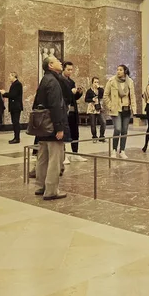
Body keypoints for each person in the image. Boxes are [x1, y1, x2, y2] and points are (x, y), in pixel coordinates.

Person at [33, 55, 68, 200]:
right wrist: (59, 128)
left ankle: (40, 186)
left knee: (42, 157)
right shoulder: (53, 82)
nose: (60, 62)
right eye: (57, 61)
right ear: (51, 66)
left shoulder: (44, 80)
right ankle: (52, 190)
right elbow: (55, 106)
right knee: (55, 158)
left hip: (42, 126)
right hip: (52, 125)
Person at [103, 64, 137, 159]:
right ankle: (114, 149)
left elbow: (132, 96)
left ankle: (122, 150)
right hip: (116, 109)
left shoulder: (130, 82)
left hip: (126, 109)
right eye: (117, 69)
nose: (118, 71)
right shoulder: (111, 81)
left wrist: (134, 109)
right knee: (117, 129)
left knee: (124, 130)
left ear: (125, 71)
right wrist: (111, 106)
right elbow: (106, 96)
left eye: (120, 70)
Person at [61, 61, 86, 162]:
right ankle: (63, 155)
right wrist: (70, 92)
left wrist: (78, 93)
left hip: (72, 110)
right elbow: (62, 96)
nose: (70, 72)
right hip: (63, 110)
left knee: (75, 132)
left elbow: (73, 98)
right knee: (64, 133)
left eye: (71, 70)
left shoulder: (71, 82)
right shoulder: (60, 81)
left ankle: (75, 153)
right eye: (68, 70)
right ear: (63, 69)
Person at [1, 72, 23, 144]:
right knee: (14, 122)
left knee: (16, 122)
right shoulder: (14, 84)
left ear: (14, 76)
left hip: (16, 106)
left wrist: (4, 93)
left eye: (10, 76)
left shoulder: (17, 84)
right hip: (14, 106)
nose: (9, 77)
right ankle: (16, 137)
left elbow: (13, 95)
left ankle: (17, 138)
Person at [85, 77, 106, 143]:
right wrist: (92, 99)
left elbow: (102, 95)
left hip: (98, 107)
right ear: (92, 83)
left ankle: (102, 136)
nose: (96, 83)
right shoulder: (89, 91)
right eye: (95, 82)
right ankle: (94, 136)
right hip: (92, 108)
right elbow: (86, 99)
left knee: (103, 122)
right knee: (93, 124)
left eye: (97, 82)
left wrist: (99, 88)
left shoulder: (100, 90)